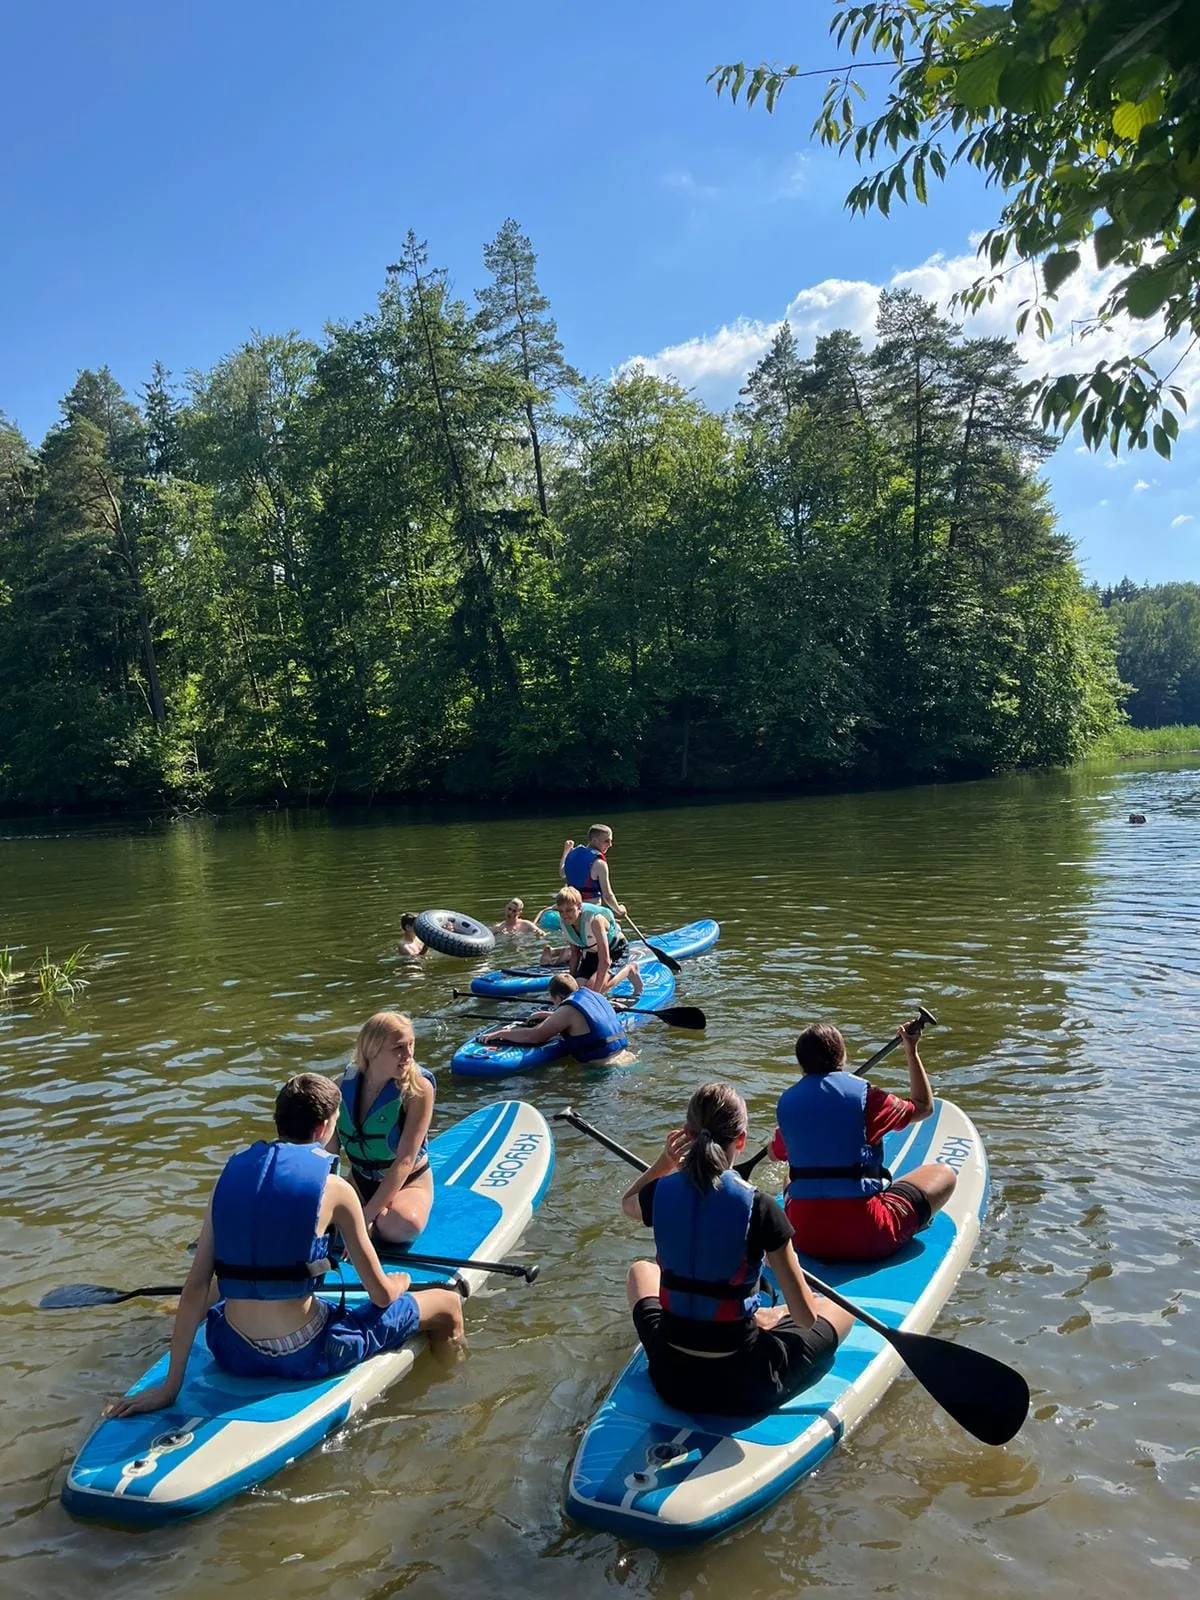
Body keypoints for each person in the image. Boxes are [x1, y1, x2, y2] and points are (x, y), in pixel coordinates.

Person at [105, 1073, 464, 1417]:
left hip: (230, 1349)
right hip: (305, 1354)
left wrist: (170, 1388)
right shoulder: (337, 1190)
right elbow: (380, 1297)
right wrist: (398, 1285)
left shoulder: (227, 1178)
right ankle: (450, 1394)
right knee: (447, 1306)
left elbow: (196, 1288)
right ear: (324, 1128)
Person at [620, 1083, 853, 1417]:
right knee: (836, 1311)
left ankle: (756, 1315)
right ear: (740, 1140)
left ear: (686, 1134)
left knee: (641, 1271)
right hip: (741, 1382)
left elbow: (627, 1202)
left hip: (671, 1373)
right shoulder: (759, 1207)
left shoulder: (660, 1193)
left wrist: (664, 1163)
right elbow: (805, 1318)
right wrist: (778, 1311)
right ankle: (761, 1315)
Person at [769, 1020, 957, 1263]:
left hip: (804, 1237)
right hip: (868, 1235)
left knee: (790, 1176)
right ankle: (907, 1220)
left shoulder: (787, 1103)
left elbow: (775, 1154)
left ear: (801, 1064)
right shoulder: (869, 1098)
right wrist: (911, 1050)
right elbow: (924, 1107)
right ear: (842, 1057)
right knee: (945, 1174)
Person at [329, 1012, 436, 1246]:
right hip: (359, 1180)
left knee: (403, 1227)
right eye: (398, 1047)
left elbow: (406, 1160)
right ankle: (362, 1220)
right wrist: (329, 1197)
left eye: (411, 1045)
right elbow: (330, 1155)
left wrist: (365, 1217)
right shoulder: (339, 1086)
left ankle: (371, 1222)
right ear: (372, 1050)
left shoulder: (419, 1090)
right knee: (317, 1219)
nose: (408, 1055)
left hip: (408, 1182)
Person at [480, 972, 630, 1063]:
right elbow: (588, 1019)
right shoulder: (594, 995)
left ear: (558, 997)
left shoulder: (568, 1009)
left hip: (604, 1068)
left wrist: (500, 1033)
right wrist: (549, 1016)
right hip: (626, 1057)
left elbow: (534, 1036)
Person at [555, 886, 643, 1000]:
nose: (565, 915)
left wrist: (596, 995)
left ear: (579, 907)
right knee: (578, 989)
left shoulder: (595, 921)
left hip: (615, 951)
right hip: (591, 953)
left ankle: (631, 969)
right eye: (561, 911)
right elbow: (575, 955)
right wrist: (570, 983)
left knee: (594, 988)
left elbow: (605, 961)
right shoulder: (564, 923)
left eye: (569, 910)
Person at [560, 825, 625, 920]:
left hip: (572, 914)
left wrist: (565, 852)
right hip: (590, 914)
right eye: (607, 841)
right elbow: (607, 896)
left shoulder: (571, 854)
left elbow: (562, 873)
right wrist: (619, 910)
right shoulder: (599, 863)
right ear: (594, 840)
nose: (610, 844)